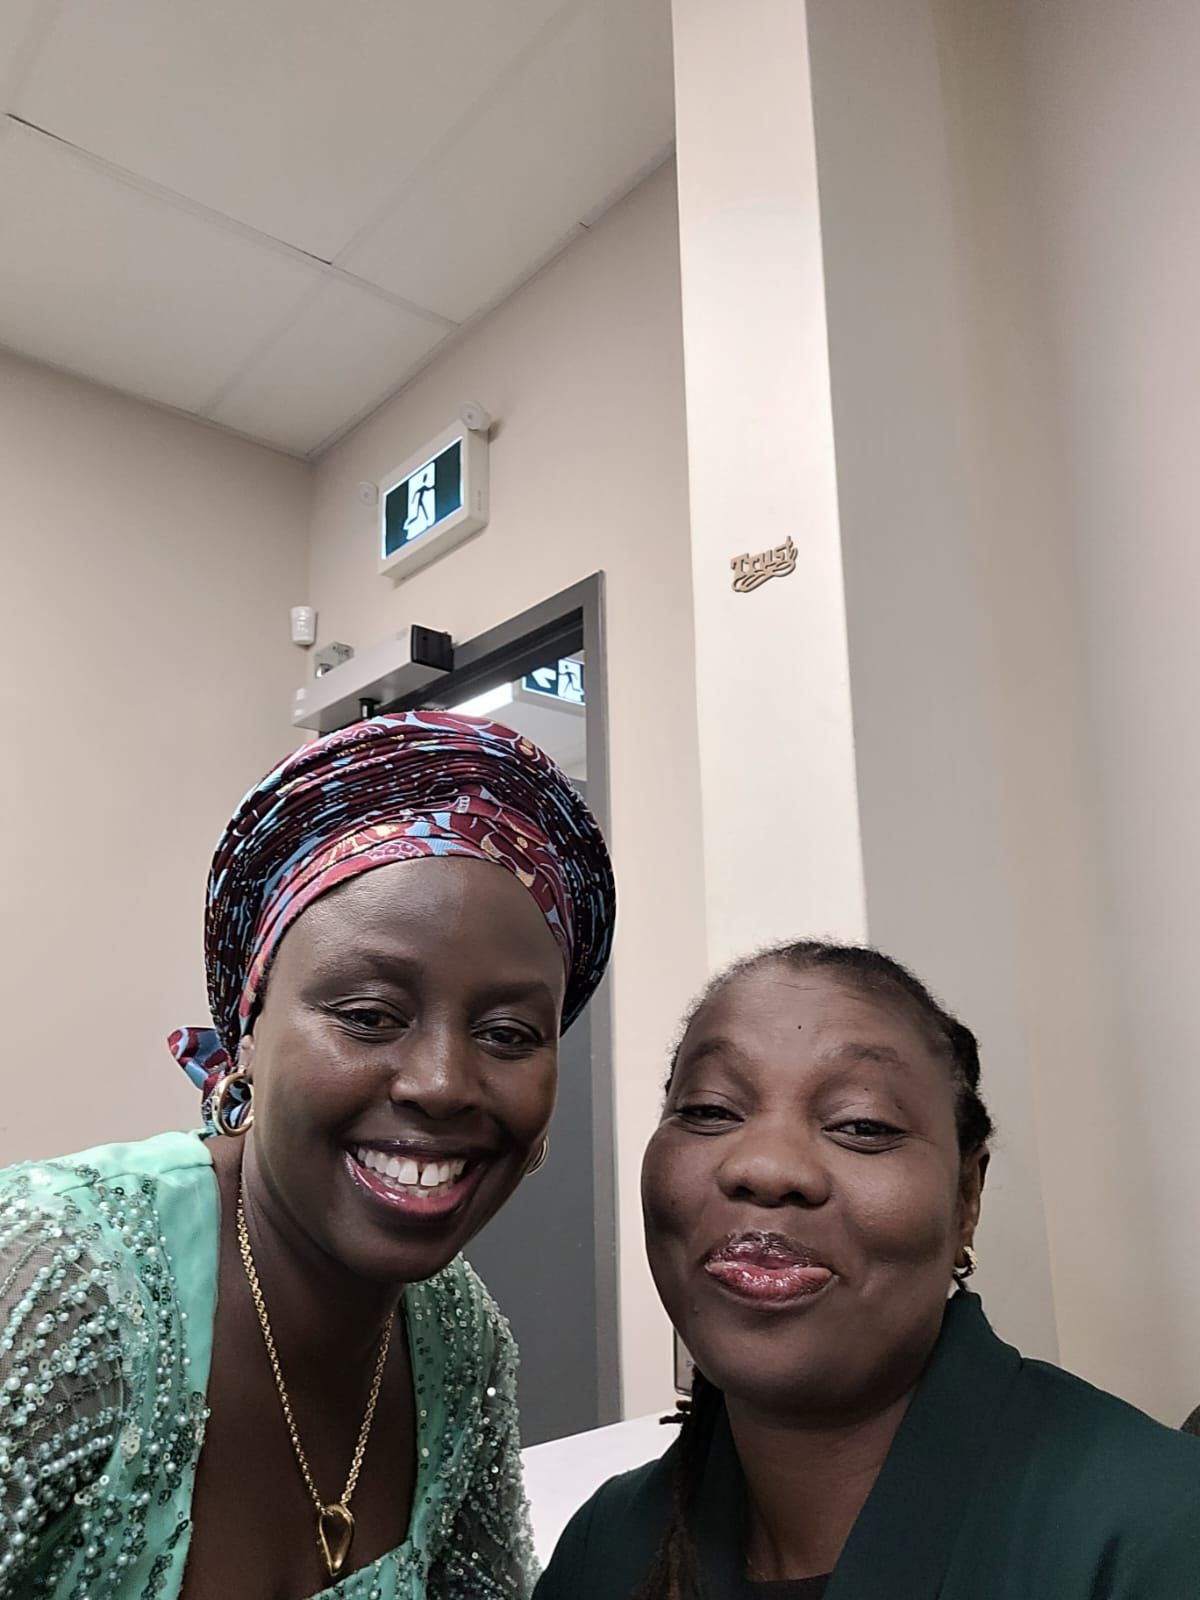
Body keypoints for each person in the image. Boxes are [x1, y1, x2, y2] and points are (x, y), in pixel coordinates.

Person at [0, 710, 615, 1599]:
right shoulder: (51, 1292)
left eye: (510, 1032)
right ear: (246, 1033)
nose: (443, 1083)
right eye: (367, 1016)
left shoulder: (457, 1341)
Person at [536, 941, 1200, 1600]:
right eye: (711, 1110)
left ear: (967, 1196)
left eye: (861, 1124)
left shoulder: (1155, 1532)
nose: (765, 1167)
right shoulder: (606, 1547)